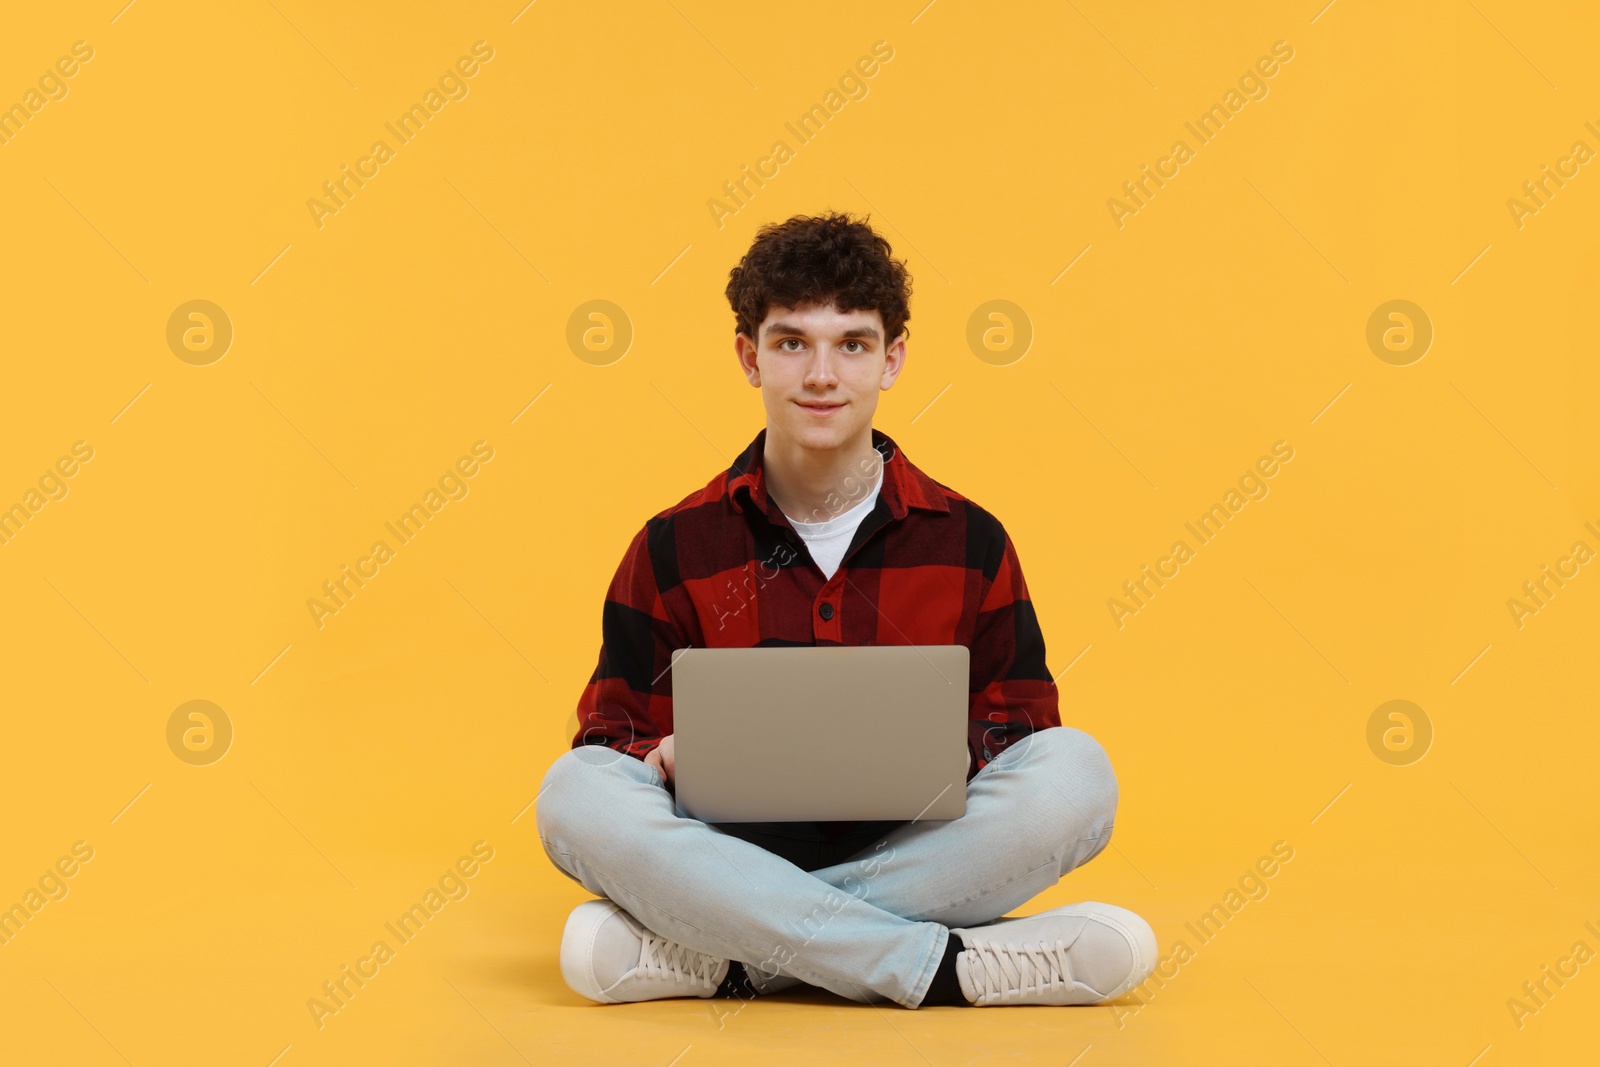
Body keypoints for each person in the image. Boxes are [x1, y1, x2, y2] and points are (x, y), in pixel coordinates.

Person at [536, 212, 1156, 1009]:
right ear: (748, 358)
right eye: (791, 342)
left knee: (1078, 775)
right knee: (573, 790)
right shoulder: (672, 544)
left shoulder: (970, 539)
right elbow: (610, 736)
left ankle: (731, 957)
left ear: (891, 359)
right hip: (724, 849)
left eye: (852, 344)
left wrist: (939, 751)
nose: (821, 374)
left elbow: (1023, 735)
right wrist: (663, 752)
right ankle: (940, 967)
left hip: (912, 849)